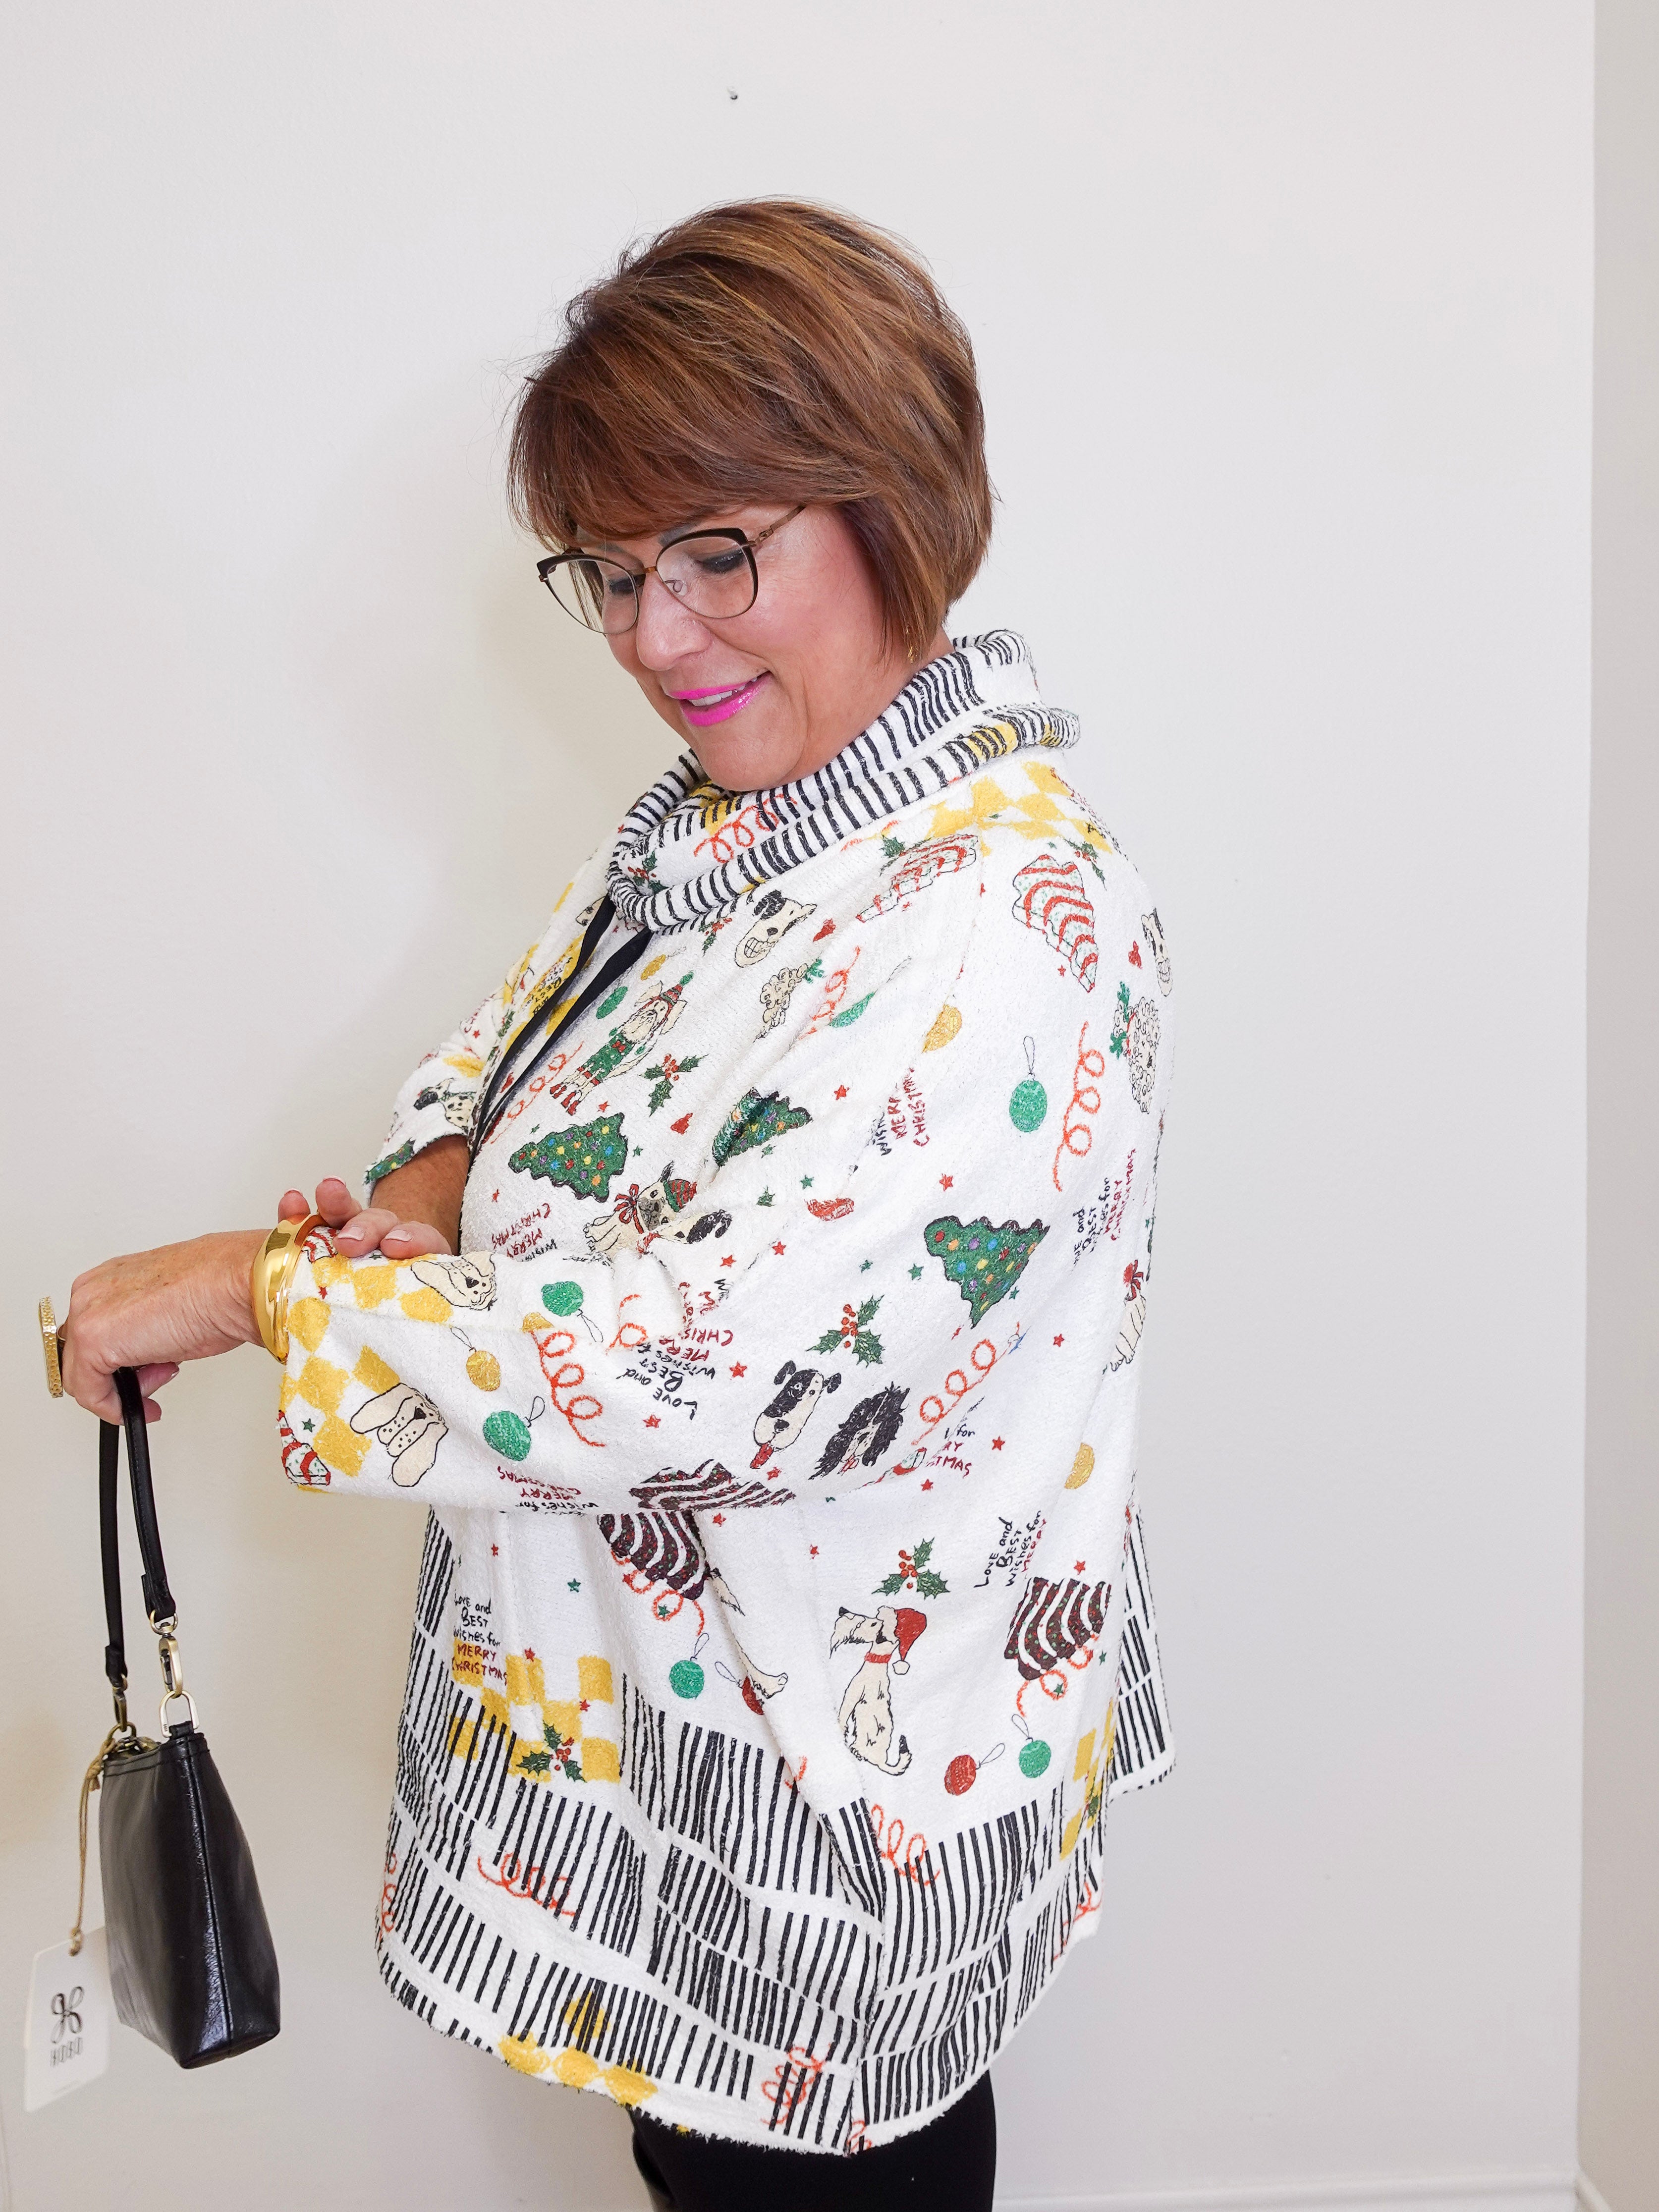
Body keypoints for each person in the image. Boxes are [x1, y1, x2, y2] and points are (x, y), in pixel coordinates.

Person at [55, 200, 1176, 2210]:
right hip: (689, 1740)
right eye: (619, 572)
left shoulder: (992, 924)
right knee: (718, 2164)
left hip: (827, 1801)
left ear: (897, 504)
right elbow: (522, 1057)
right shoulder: (735, 820)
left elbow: (716, 1376)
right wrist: (425, 1189)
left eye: (721, 554)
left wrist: (252, 1292)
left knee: (802, 2176)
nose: (660, 641)